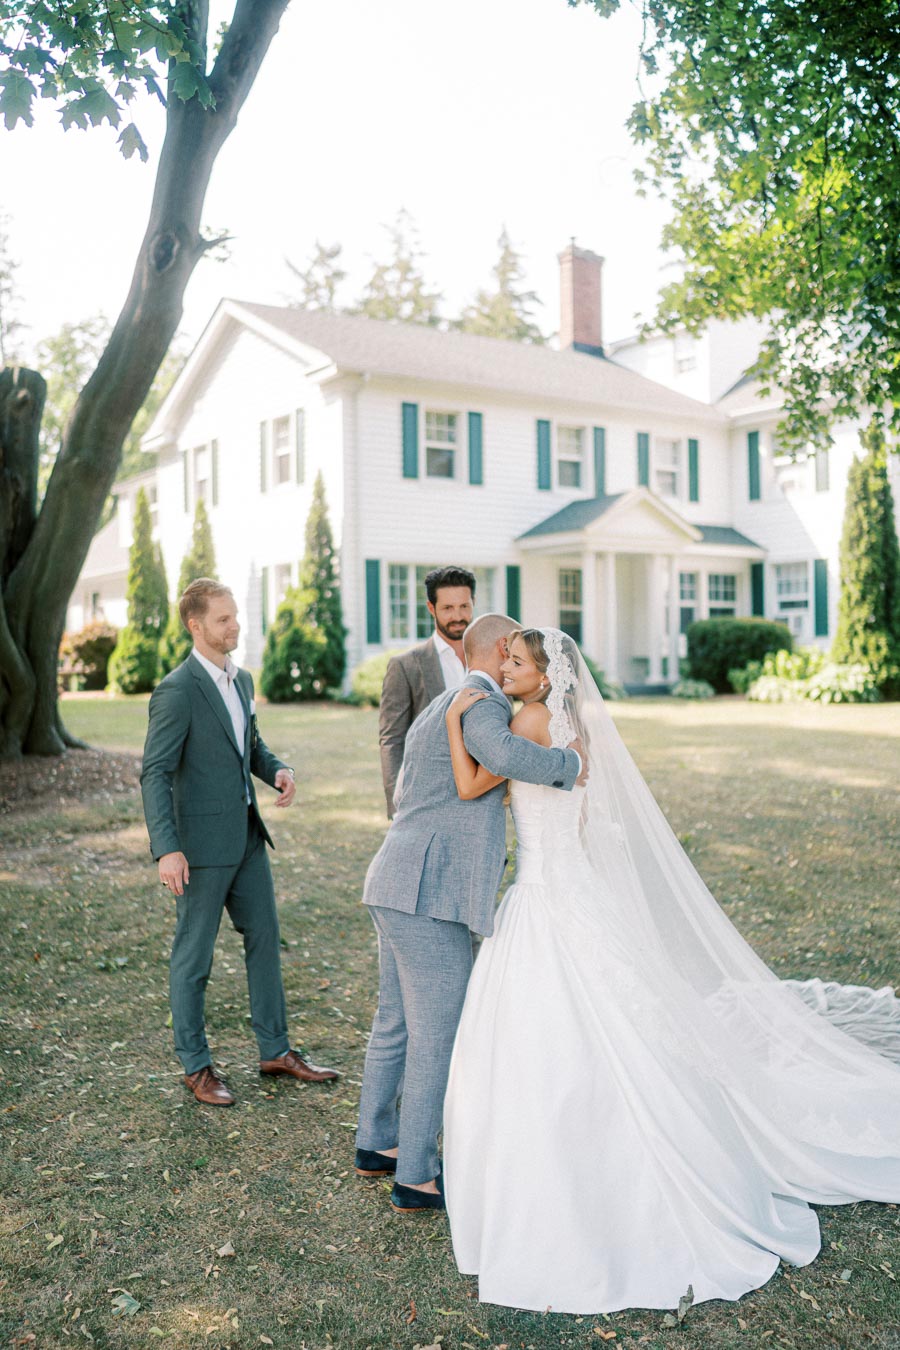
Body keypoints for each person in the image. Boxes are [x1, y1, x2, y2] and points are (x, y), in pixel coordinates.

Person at [441, 626, 900, 1314]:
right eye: (503, 658)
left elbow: (473, 782)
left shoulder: (530, 722)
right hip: (569, 889)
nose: (504, 668)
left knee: (546, 1044)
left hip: (543, 897)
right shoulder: (571, 728)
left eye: (516, 660)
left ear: (546, 677)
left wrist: (455, 721)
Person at [354, 614, 585, 1212]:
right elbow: (504, 755)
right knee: (436, 1036)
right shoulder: (478, 700)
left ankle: (376, 1144)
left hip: (395, 882)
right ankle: (416, 1175)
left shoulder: (442, 705)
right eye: (510, 653)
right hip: (427, 895)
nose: (512, 664)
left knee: (396, 1022)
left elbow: (413, 789)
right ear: (499, 649)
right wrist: (571, 767)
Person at [140, 578, 339, 1106]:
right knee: (194, 959)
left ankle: (275, 1050)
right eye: (223, 619)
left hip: (249, 839)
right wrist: (167, 848)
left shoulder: (243, 681)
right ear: (195, 625)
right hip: (197, 851)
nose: (235, 627)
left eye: (235, 617)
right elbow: (155, 773)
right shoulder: (177, 690)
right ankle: (196, 1066)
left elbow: (249, 745)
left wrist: (278, 769)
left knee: (265, 942)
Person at [378, 565, 476, 817]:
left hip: (483, 794)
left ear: (473, 603)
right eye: (448, 608)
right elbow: (392, 739)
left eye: (464, 606)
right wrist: (396, 802)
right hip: (427, 796)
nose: (458, 616)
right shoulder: (406, 665)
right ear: (431, 608)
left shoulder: (492, 659)